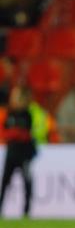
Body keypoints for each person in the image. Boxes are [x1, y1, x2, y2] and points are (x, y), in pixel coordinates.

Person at [0, 86, 37, 217]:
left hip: (24, 154)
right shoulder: (10, 114)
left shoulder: (27, 115)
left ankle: (26, 211)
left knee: (27, 183)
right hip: (11, 154)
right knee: (4, 183)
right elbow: (5, 133)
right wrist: (16, 134)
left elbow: (26, 134)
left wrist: (15, 134)